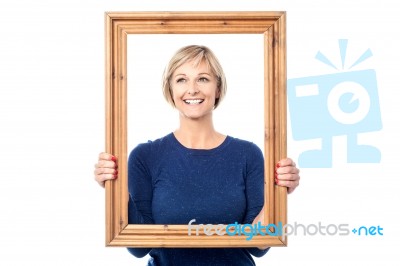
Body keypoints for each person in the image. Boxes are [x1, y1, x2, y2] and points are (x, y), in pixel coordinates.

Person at [94, 45, 300, 266]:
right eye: (181, 80)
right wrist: (115, 188)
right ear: (170, 90)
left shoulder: (248, 155)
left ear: (218, 88)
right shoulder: (145, 156)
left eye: (203, 79)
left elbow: (258, 246)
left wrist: (278, 193)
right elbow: (138, 247)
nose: (192, 89)